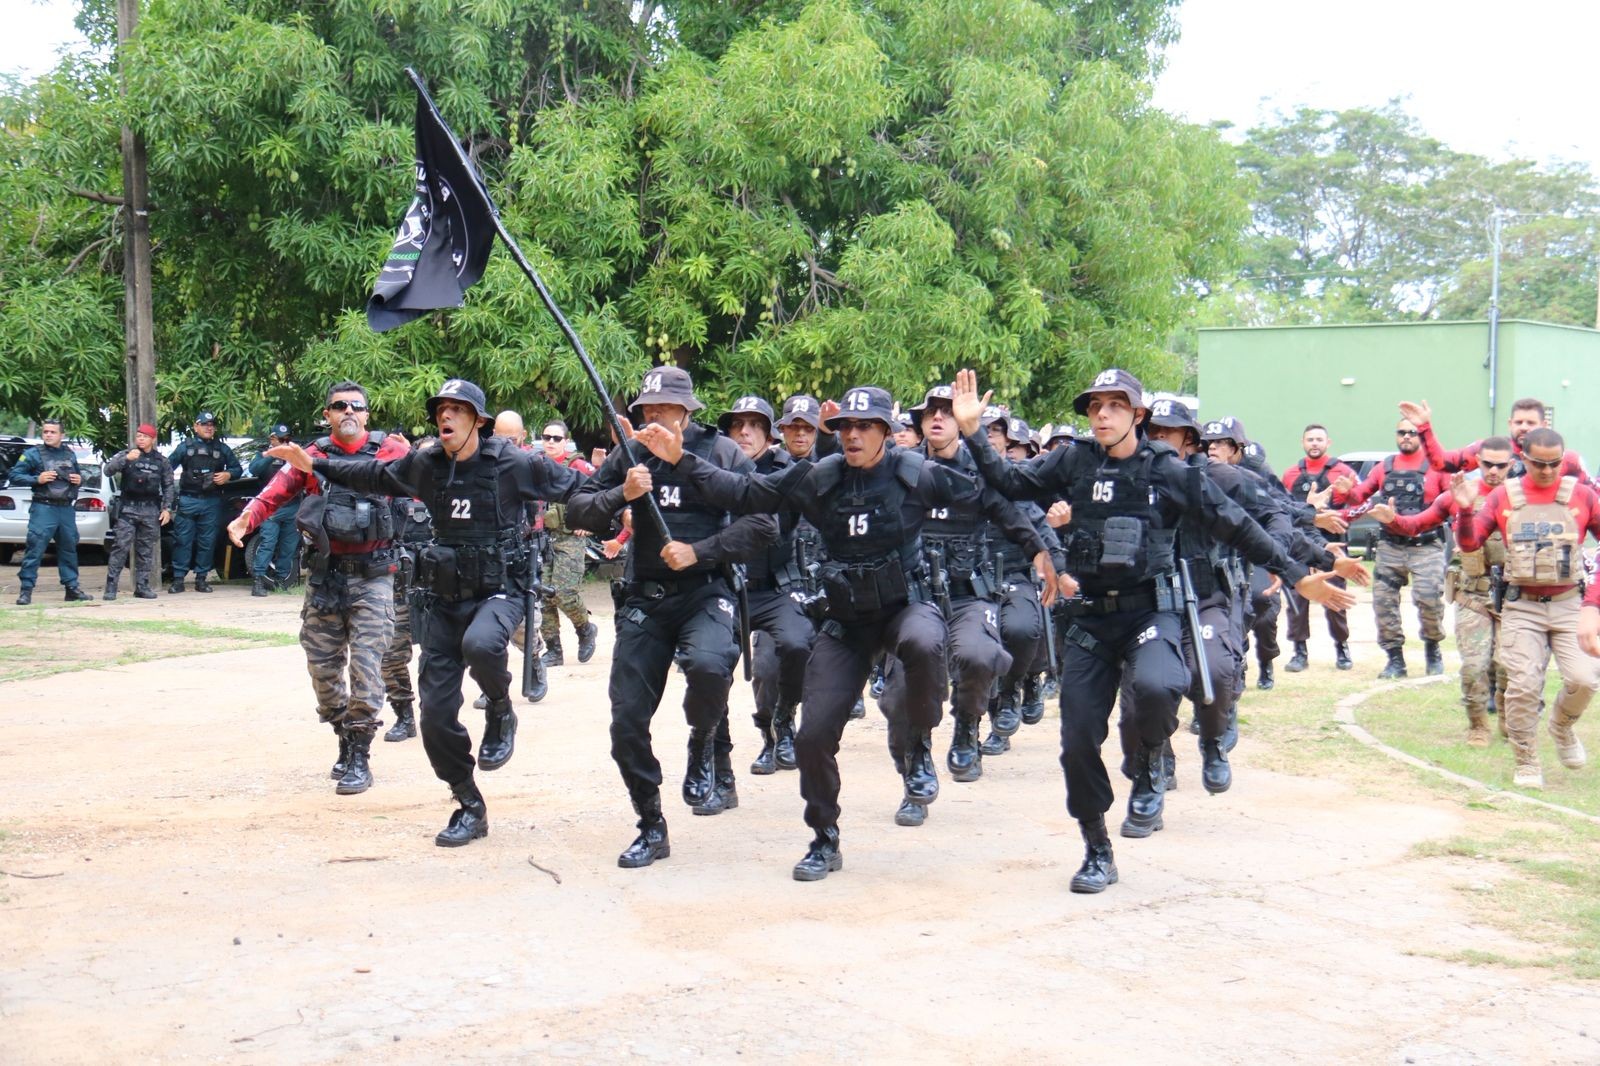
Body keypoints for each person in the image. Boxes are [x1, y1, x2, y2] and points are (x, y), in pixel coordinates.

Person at [948, 368, 1355, 894]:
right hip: (1090, 619)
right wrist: (975, 433)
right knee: (1076, 744)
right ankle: (1096, 847)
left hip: (1150, 613)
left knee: (1160, 687)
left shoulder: (1165, 468)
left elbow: (1234, 522)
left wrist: (1300, 574)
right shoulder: (1072, 460)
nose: (1102, 414)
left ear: (1137, 415)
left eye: (1115, 405)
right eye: (1095, 406)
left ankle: (1146, 766)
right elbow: (1009, 482)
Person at [634, 385, 1059, 881]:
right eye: (846, 428)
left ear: (885, 432)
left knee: (925, 641)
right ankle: (824, 837)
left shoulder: (913, 473)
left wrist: (1038, 549)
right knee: (813, 737)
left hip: (904, 606)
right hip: (845, 619)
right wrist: (681, 458)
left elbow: (995, 500)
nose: (854, 436)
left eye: (866, 427)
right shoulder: (818, 477)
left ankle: (919, 742)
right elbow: (744, 493)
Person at [266, 378, 586, 844]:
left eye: (457, 410)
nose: (446, 417)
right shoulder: (427, 463)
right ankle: (468, 804)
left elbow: (581, 487)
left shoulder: (513, 462)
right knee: (435, 716)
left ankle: (500, 707)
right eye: (441, 410)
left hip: (498, 589)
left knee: (481, 644)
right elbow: (371, 476)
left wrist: (627, 493)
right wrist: (313, 463)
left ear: (479, 420)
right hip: (444, 595)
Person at [567, 367, 778, 869]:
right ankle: (650, 823)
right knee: (626, 722)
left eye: (665, 409)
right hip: (645, 599)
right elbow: (577, 510)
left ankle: (703, 743)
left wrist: (701, 551)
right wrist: (622, 495)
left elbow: (763, 523)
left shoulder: (720, 452)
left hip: (706, 592)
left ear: (687, 412)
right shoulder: (630, 453)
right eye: (647, 410)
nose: (654, 418)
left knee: (709, 666)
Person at [227, 382, 412, 795]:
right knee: (323, 671)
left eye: (356, 406)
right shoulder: (310, 457)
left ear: (367, 415)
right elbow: (274, 493)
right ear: (326, 415)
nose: (348, 411)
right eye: (338, 406)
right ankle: (342, 736)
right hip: (326, 577)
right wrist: (245, 520)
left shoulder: (392, 454)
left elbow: (431, 483)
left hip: (375, 576)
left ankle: (361, 753)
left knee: (367, 665)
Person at [903, 389, 1052, 801]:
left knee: (979, 655)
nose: (936, 419)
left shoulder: (982, 473)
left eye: (945, 413)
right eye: (928, 413)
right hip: (914, 596)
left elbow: (1016, 517)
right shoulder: (902, 468)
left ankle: (967, 724)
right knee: (907, 686)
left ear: (960, 422)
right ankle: (917, 760)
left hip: (968, 593)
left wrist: (1044, 553)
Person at [1452, 427, 1600, 788]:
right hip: (1523, 606)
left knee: (1584, 679)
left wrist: (1592, 606)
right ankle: (1527, 758)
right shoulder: (1505, 496)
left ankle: (1561, 728)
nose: (1547, 471)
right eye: (1538, 464)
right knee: (1523, 684)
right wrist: (1466, 510)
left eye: (1554, 464)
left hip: (1569, 603)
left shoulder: (1583, 496)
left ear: (1563, 460)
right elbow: (1470, 542)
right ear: (1524, 460)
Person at [1371, 437, 1516, 746]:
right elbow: (1417, 524)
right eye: (1486, 464)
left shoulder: (1522, 497)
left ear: (1512, 465)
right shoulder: (1459, 494)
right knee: (1473, 666)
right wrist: (1393, 520)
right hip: (1472, 595)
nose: (1492, 471)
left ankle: (1507, 716)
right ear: (1477, 461)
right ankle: (1477, 725)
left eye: (1500, 465)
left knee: (1509, 666)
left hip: (1515, 597)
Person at [718, 396, 815, 776]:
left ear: (770, 433)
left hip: (776, 587)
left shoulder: (789, 470)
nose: (744, 432)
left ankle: (782, 724)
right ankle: (717, 752)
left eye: (755, 425)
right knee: (711, 666)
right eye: (738, 424)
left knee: (787, 650)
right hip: (727, 586)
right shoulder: (713, 467)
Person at [1329, 416, 1450, 678]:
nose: (1406, 436)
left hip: (1426, 546)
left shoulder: (1437, 468)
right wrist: (1347, 491)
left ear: (1422, 436)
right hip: (1390, 546)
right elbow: (1359, 496)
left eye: (1412, 432)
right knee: (1384, 602)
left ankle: (1433, 649)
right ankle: (1395, 659)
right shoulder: (1384, 467)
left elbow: (1451, 504)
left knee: (1429, 598)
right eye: (1401, 432)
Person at [1280, 424, 1358, 673]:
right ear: (1303, 443)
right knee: (1297, 599)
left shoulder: (1343, 472)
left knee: (1335, 598)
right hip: (1298, 544)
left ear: (1328, 442)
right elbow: (1282, 510)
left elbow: (1359, 503)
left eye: (1319, 439)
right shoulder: (1291, 474)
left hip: (1331, 544)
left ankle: (1342, 648)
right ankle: (1299, 652)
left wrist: (1337, 514)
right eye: (1310, 439)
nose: (1315, 443)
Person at [536, 419, 599, 667]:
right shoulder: (536, 465)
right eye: (547, 437)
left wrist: (590, 521)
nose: (550, 442)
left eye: (556, 438)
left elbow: (599, 493)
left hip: (570, 537)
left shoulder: (577, 466)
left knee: (564, 593)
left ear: (566, 441)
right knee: (542, 595)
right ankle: (554, 649)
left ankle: (585, 629)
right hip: (544, 538)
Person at [1412, 396, 1589, 484]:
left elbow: (1594, 496)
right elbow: (1441, 463)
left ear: (1544, 424)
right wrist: (1424, 427)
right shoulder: (1490, 450)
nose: (1524, 427)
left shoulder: (1567, 459)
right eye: (1519, 422)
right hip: (1499, 535)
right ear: (1510, 424)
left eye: (1531, 422)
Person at [10, 419, 92, 605]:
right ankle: (26, 591)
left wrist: (79, 479)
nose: (48, 434)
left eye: (52, 432)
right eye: (46, 431)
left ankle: (72, 589)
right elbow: (14, 475)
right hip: (43, 508)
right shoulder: (33, 454)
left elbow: (79, 476)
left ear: (61, 435)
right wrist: (36, 479)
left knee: (69, 549)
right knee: (35, 548)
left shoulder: (69, 454)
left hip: (65, 508)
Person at [167, 411, 242, 593]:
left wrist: (228, 474)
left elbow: (237, 469)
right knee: (183, 540)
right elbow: (167, 467)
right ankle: (178, 579)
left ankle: (202, 579)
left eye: (212, 425)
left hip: (212, 501)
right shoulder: (185, 447)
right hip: (188, 499)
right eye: (205, 424)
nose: (209, 428)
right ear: (196, 426)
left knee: (207, 541)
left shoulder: (221, 449)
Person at [102, 423, 174, 600]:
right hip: (128, 509)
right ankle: (111, 587)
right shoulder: (127, 454)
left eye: (144, 436)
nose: (140, 439)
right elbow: (108, 470)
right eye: (139, 436)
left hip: (150, 510)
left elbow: (169, 485)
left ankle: (142, 586)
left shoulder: (161, 461)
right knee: (120, 548)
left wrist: (167, 508)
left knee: (146, 550)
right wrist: (125, 460)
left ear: (152, 439)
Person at [247, 424, 301, 596]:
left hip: (292, 507)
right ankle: (258, 580)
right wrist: (272, 455)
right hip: (271, 509)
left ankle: (281, 581)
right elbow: (254, 469)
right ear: (272, 439)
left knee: (288, 547)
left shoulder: (295, 455)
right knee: (267, 544)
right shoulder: (264, 454)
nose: (285, 442)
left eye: (287, 439)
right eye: (281, 439)